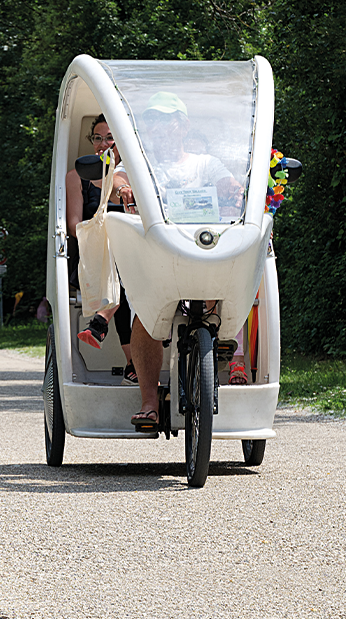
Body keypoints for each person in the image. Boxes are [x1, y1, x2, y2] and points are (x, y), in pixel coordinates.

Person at [124, 92, 246, 428]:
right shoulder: (139, 163)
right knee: (145, 315)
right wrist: (125, 189)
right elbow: (120, 178)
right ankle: (150, 400)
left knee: (220, 276)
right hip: (155, 265)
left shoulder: (204, 162)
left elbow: (228, 183)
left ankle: (215, 339)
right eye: (153, 121)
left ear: (183, 126)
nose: (159, 127)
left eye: (167, 120)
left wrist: (234, 190)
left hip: (198, 256)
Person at [65, 114, 136, 385]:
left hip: (129, 255)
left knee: (127, 269)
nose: (103, 143)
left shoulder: (131, 177)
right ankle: (132, 362)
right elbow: (74, 225)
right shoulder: (76, 177)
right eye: (98, 137)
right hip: (94, 255)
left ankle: (101, 324)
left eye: (110, 138)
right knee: (122, 268)